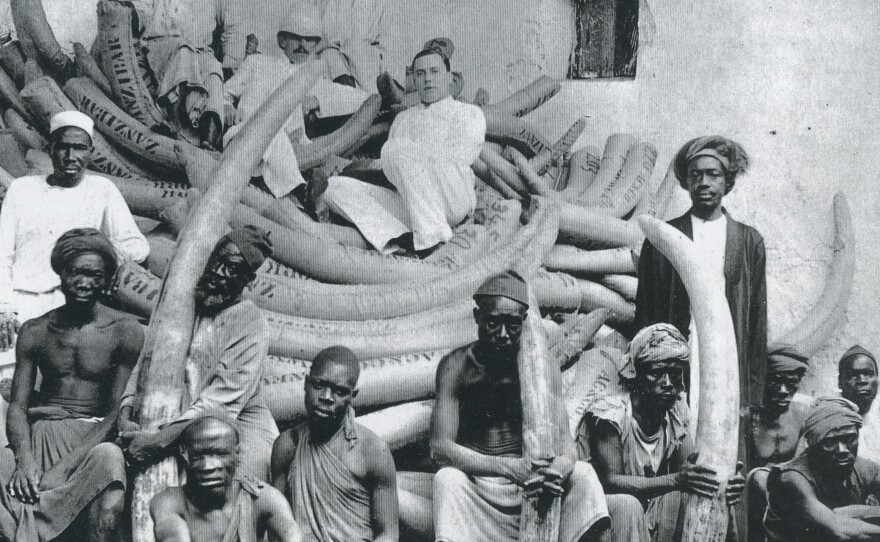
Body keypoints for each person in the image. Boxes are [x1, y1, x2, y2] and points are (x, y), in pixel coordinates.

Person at [430, 271, 640, 542]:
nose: (503, 334)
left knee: (584, 474)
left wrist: (558, 469)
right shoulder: (456, 366)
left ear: (524, 322)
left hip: (535, 487)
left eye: (513, 325)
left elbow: (566, 445)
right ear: (477, 317)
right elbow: (439, 448)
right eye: (493, 322)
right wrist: (509, 468)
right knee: (446, 480)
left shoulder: (543, 366)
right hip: (481, 487)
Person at [0, 111, 148, 441]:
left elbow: (137, 244)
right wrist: (4, 306)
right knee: (11, 395)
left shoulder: (102, 190)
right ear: (50, 149)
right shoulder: (23, 189)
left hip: (74, 301)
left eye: (80, 148)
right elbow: (2, 252)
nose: (71, 157)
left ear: (90, 151)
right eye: (63, 147)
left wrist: (106, 252)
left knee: (60, 393)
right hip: (19, 306)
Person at [633, 136, 766, 474]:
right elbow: (645, 316)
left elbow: (756, 322)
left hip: (726, 358)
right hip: (679, 359)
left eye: (713, 174)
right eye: (695, 175)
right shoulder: (662, 239)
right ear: (686, 181)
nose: (704, 183)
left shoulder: (749, 242)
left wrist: (751, 393)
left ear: (728, 181)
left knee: (725, 455)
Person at [0, 229, 143, 542]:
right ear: (61, 274)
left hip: (90, 443)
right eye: (76, 272)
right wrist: (26, 461)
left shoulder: (125, 331)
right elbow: (18, 406)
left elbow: (114, 413)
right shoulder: (35, 330)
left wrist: (64, 467)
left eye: (95, 275)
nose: (84, 283)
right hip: (40, 436)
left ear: (106, 281)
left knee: (110, 459)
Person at [120, 226, 279, 481]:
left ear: (248, 280)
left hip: (232, 426)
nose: (218, 272)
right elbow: (146, 361)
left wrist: (157, 442)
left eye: (232, 268)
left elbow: (220, 404)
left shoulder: (250, 323)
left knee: (234, 492)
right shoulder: (186, 302)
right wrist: (126, 415)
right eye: (217, 260)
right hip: (171, 419)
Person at [578, 323, 745, 542]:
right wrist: (676, 480)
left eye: (674, 374)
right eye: (656, 374)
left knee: (699, 493)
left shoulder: (675, 413)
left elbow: (689, 469)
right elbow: (609, 482)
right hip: (607, 515)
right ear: (637, 375)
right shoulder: (611, 414)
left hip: (647, 512)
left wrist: (721, 479)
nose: (667, 383)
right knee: (629, 505)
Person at [322, 47, 486, 254]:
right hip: (411, 204)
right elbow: (392, 169)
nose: (428, 79)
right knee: (334, 187)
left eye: (434, 72)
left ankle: (434, 240)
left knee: (395, 148)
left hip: (451, 198)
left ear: (449, 77)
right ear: (414, 81)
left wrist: (406, 158)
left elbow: (458, 159)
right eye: (421, 74)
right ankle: (399, 237)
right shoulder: (403, 119)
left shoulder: (467, 113)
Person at [223, 4, 369, 198]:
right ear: (282, 41)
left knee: (279, 138)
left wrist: (318, 101)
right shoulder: (257, 63)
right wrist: (225, 106)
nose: (303, 44)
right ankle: (302, 192)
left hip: (287, 148)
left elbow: (362, 98)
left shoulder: (313, 78)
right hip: (244, 136)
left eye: (309, 40)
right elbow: (226, 92)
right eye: (296, 38)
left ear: (316, 45)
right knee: (270, 132)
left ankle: (299, 189)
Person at [270, 346, 398, 542]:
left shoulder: (372, 450)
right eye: (319, 385)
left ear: (352, 396)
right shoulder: (288, 445)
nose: (326, 397)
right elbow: (274, 525)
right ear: (306, 383)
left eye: (339, 391)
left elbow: (388, 534)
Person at [151, 416, 303, 542]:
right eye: (198, 456)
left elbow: (292, 535)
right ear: (186, 456)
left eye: (220, 454)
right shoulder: (168, 502)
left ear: (237, 455)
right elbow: (172, 535)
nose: (209, 466)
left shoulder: (262, 498)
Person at [764, 397, 880, 541]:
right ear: (812, 444)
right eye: (829, 442)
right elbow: (839, 530)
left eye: (850, 439)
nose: (843, 450)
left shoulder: (866, 469)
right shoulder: (791, 478)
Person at [130, 0, 238, 149]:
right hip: (163, 44)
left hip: (201, 50)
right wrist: (132, 12)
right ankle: (176, 122)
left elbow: (232, 29)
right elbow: (142, 9)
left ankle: (210, 133)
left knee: (214, 69)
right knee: (184, 51)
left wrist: (229, 65)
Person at [745, 343, 813, 542]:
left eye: (790, 383)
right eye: (776, 382)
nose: (784, 391)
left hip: (791, 499)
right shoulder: (750, 418)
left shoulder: (803, 415)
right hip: (753, 499)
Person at [839, 345, 880, 463]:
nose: (862, 380)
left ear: (877, 380)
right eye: (852, 375)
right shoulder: (829, 417)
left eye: (869, 373)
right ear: (839, 382)